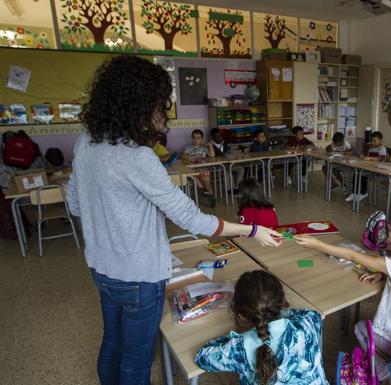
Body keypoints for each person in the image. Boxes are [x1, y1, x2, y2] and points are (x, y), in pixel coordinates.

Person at [66, 55, 281, 385]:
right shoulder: (138, 157)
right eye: (159, 104)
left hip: (101, 269)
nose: (162, 113)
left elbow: (76, 205)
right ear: (140, 104)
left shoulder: (87, 141)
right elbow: (194, 220)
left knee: (112, 343)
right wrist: (252, 229)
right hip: (138, 276)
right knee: (136, 362)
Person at [295, 213, 391, 381]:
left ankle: (381, 369)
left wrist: (317, 244)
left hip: (390, 342)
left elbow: (352, 256)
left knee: (359, 327)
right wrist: (383, 276)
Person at [195, 270, 328, 385]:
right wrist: (282, 312)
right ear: (282, 302)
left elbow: (202, 357)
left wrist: (234, 337)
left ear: (241, 315)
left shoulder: (239, 347)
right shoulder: (306, 323)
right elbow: (313, 314)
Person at [346, 131, 387, 202]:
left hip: (376, 171)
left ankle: (363, 193)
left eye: (375, 141)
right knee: (356, 173)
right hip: (368, 168)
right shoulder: (371, 148)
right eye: (372, 141)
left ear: (380, 140)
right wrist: (364, 155)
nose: (373, 142)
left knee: (362, 175)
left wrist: (370, 158)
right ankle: (354, 193)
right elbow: (367, 157)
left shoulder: (382, 148)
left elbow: (382, 158)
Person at [182, 129, 216, 208]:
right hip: (193, 170)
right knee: (194, 178)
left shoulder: (204, 147)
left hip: (203, 169)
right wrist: (193, 157)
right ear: (191, 138)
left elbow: (212, 156)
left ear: (202, 139)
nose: (196, 140)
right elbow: (183, 156)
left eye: (198, 138)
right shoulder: (189, 147)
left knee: (206, 180)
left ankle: (211, 196)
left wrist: (210, 145)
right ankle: (203, 190)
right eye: (194, 138)